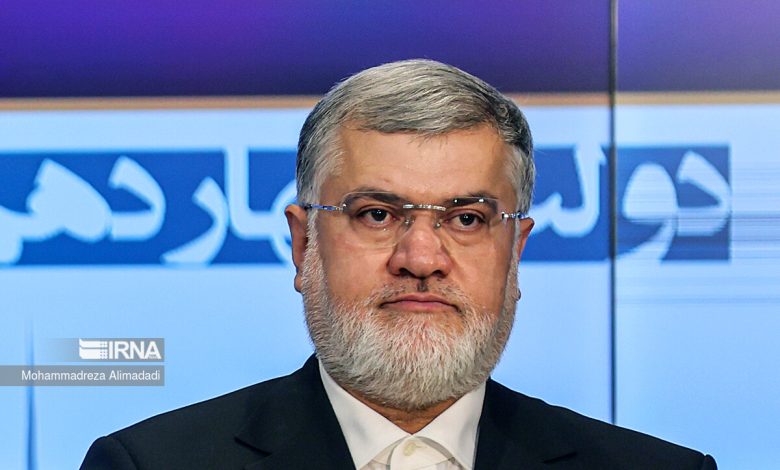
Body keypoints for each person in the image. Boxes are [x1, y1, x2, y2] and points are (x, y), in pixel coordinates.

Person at [81, 59, 716, 469]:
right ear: (304, 245)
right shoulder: (150, 465)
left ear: (515, 252)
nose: (421, 259)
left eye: (466, 219)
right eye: (378, 214)